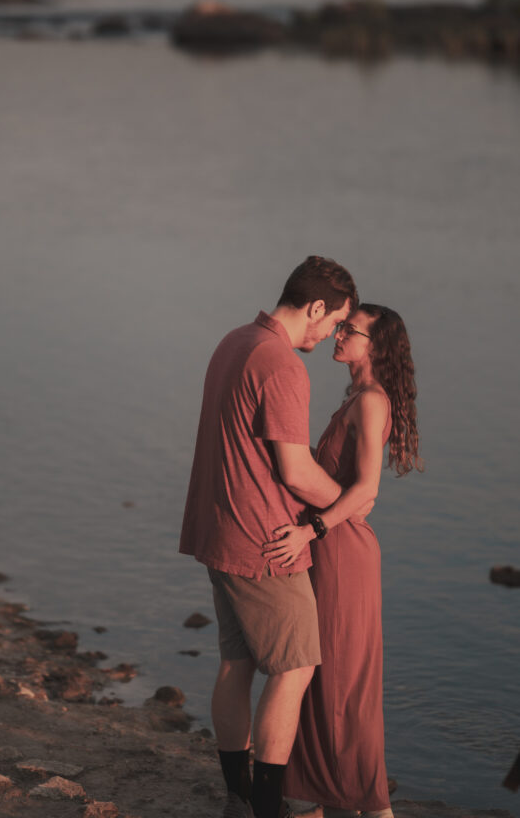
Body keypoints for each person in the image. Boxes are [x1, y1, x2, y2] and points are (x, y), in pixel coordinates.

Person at [179, 256, 358, 818]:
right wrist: (350, 506)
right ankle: (265, 806)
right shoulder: (282, 365)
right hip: (264, 540)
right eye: (334, 322)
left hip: (217, 528)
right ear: (315, 307)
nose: (332, 333)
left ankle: (237, 799)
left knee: (237, 663)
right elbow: (296, 471)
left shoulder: (235, 341)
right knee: (296, 666)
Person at [262, 304, 422, 818]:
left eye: (349, 331)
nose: (338, 333)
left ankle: (367, 804)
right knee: (320, 674)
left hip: (341, 551)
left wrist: (311, 529)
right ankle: (319, 797)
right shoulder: (357, 396)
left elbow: (367, 491)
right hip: (332, 546)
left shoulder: (371, 401)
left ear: (373, 346)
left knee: (339, 681)